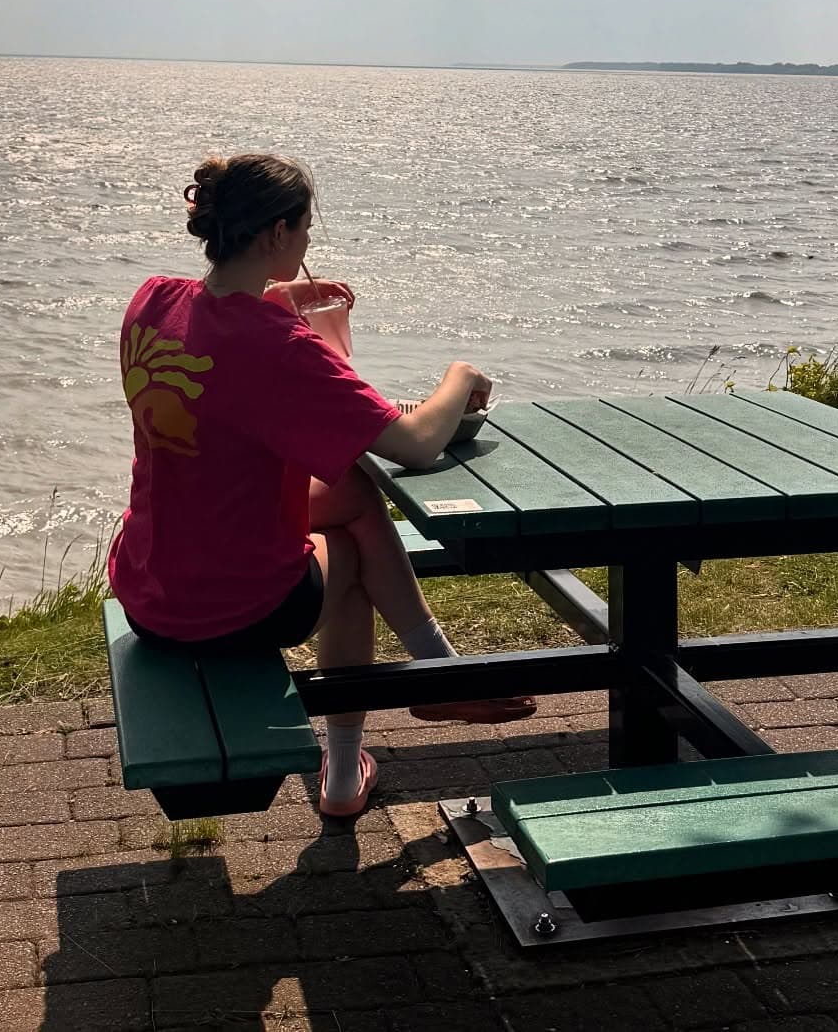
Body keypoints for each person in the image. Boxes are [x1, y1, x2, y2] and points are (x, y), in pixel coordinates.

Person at [108, 151, 535, 822]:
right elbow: (417, 444)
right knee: (353, 551)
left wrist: (279, 297)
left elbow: (217, 334)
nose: (309, 242)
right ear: (277, 234)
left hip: (149, 586)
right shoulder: (279, 348)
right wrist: (461, 375)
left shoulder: (152, 300)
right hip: (230, 607)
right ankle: (365, 747)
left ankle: (437, 680)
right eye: (305, 227)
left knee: (353, 498)